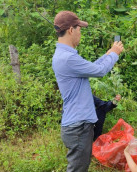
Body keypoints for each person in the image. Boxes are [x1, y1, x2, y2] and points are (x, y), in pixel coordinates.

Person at [52, 11, 124, 172]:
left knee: (81, 167)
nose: (80, 33)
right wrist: (114, 54)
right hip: (78, 127)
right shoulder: (67, 58)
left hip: (77, 125)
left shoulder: (65, 55)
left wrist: (108, 54)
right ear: (71, 30)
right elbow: (99, 71)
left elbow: (92, 68)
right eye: (79, 29)